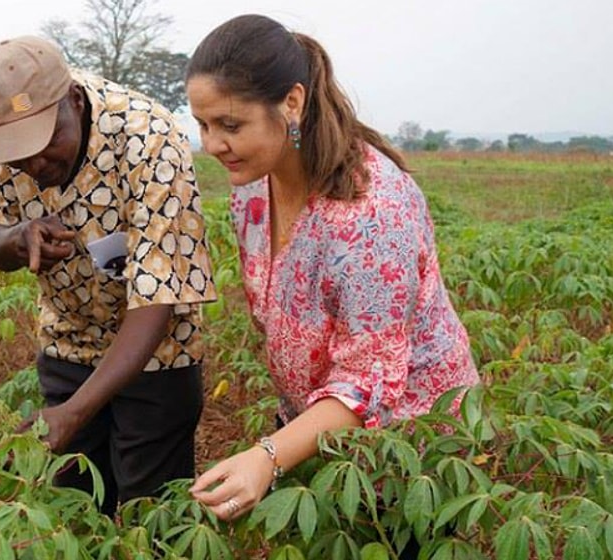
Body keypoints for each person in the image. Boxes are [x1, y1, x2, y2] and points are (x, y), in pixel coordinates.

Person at [186, 14, 480, 522]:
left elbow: (369, 382)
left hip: (413, 449)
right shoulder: (253, 189)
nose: (213, 145)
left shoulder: (370, 213)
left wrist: (268, 456)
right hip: (320, 431)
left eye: (230, 125)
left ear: (292, 103)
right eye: (203, 125)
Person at [0, 36, 217, 515]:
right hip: (69, 345)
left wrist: (75, 413)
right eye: (19, 156)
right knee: (75, 514)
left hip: (158, 355)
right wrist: (17, 238)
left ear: (74, 102)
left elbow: (157, 299)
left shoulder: (150, 137)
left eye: (44, 146)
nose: (34, 165)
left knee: (152, 518)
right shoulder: (10, 148)